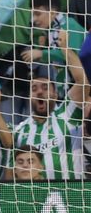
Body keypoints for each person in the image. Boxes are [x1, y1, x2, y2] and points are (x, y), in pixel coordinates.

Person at [15, 31, 89, 181]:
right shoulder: (20, 131)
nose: (39, 92)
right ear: (29, 97)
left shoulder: (67, 113)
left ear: (56, 95)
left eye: (45, 88)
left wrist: (65, 48)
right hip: (37, 200)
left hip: (73, 196)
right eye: (34, 89)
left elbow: (83, 82)